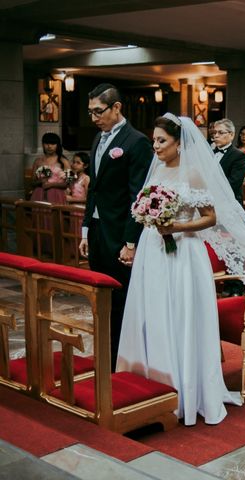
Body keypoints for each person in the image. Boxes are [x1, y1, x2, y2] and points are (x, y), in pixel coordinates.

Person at [117, 113, 245, 425]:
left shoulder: (194, 174)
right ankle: (152, 380)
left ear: (180, 142)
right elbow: (144, 206)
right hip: (154, 249)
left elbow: (210, 217)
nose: (156, 147)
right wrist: (147, 220)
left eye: (162, 141)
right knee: (154, 312)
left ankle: (186, 387)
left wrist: (175, 225)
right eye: (154, 141)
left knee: (181, 314)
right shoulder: (158, 168)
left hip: (183, 252)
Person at [80, 83, 154, 371]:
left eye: (98, 111)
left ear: (117, 107)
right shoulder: (98, 139)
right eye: (90, 112)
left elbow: (139, 196)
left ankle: (119, 361)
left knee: (121, 298)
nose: (94, 118)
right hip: (98, 230)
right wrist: (86, 229)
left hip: (120, 234)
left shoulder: (136, 142)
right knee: (99, 296)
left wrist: (130, 242)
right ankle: (104, 354)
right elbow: (94, 190)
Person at [212, 118, 245, 205]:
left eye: (220, 132)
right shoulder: (210, 153)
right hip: (210, 201)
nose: (216, 136)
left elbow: (233, 184)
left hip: (229, 202)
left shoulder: (239, 156)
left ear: (231, 135)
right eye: (214, 132)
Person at [30, 132, 70, 204]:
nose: (49, 146)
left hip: (57, 195)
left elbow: (67, 183)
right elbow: (32, 182)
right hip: (39, 194)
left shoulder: (64, 161)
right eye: (46, 144)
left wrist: (51, 184)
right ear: (42, 144)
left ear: (57, 145)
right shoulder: (38, 161)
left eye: (53, 144)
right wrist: (41, 181)